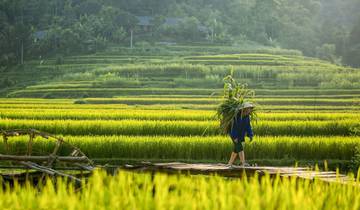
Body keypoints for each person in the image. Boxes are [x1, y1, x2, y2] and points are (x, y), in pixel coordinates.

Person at [226, 102, 254, 167]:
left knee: (236, 149)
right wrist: (234, 136)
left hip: (241, 135)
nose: (250, 110)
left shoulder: (247, 117)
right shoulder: (237, 117)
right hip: (234, 135)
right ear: (245, 109)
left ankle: (230, 163)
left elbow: (248, 126)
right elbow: (233, 127)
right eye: (249, 108)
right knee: (240, 147)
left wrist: (250, 135)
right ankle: (243, 163)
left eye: (250, 109)